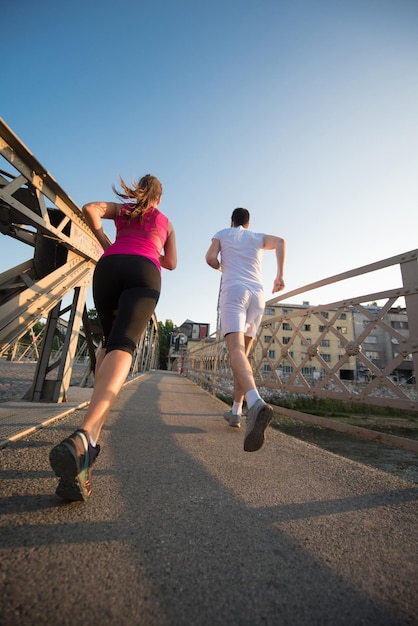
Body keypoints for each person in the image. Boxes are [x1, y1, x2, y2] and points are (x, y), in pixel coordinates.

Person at [49, 174, 177, 501]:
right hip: (143, 271)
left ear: (139, 192)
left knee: (108, 342)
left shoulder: (124, 210)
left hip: (108, 267)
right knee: (124, 346)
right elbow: (171, 263)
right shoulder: (165, 220)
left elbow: (90, 208)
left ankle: (89, 445)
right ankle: (84, 435)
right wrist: (154, 246)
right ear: (159, 198)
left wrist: (107, 242)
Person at [205, 207, 286, 452]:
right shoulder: (257, 237)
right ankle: (235, 412)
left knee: (236, 352)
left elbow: (209, 258)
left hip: (235, 292)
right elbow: (281, 241)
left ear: (232, 221)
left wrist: (222, 267)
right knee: (243, 356)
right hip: (257, 296)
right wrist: (279, 276)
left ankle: (255, 403)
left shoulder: (223, 233)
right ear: (248, 223)